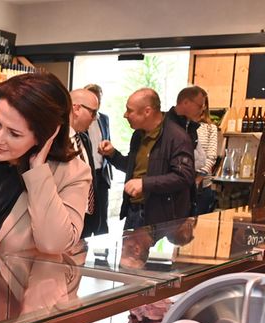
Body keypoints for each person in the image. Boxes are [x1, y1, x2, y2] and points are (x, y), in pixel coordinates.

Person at [0, 73, 92, 256]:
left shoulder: (73, 174)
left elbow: (53, 245)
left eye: (14, 133)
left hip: (27, 284)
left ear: (46, 135)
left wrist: (38, 171)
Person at [99, 88, 195, 229]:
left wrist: (145, 184)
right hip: (134, 211)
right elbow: (135, 167)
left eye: (129, 110)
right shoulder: (138, 135)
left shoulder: (177, 137)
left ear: (147, 111)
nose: (125, 115)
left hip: (159, 216)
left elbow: (184, 176)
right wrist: (113, 154)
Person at [68, 88, 100, 238]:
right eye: (93, 113)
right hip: (66, 223)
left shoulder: (84, 139)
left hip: (86, 222)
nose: (95, 118)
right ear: (76, 108)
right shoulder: (54, 143)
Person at [83, 84, 113, 236]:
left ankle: (102, 256)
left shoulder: (105, 119)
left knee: (102, 219)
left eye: (99, 101)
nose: (97, 104)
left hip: (102, 174)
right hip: (86, 174)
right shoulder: (80, 121)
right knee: (87, 217)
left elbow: (108, 139)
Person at [194, 94, 219, 215]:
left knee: (199, 225)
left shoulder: (210, 128)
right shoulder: (182, 126)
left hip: (203, 186)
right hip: (182, 184)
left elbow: (212, 156)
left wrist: (198, 178)